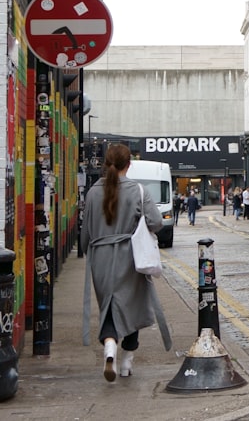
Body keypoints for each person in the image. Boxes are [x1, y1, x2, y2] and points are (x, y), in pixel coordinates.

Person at [81, 143, 171, 382]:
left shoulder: (92, 193)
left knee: (109, 306)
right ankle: (126, 363)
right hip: (130, 256)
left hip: (100, 258)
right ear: (128, 165)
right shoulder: (138, 190)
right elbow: (156, 223)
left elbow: (85, 234)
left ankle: (110, 346)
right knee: (133, 306)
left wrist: (88, 254)